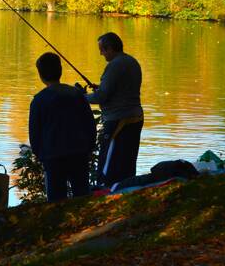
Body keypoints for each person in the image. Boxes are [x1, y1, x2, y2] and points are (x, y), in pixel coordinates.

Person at [28, 52, 96, 202]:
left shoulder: (39, 100)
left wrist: (39, 154)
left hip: (53, 156)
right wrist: (90, 146)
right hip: (79, 152)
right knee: (82, 194)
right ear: (60, 71)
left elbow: (34, 133)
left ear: (41, 75)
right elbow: (90, 123)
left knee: (56, 199)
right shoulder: (77, 95)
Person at [85, 32, 143, 187]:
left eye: (102, 50)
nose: (101, 53)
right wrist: (101, 88)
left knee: (109, 162)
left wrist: (81, 97)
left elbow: (101, 97)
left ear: (110, 48)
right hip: (135, 117)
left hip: (119, 120)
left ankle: (105, 190)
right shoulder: (131, 61)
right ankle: (125, 188)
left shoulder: (115, 65)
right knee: (127, 161)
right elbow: (123, 89)